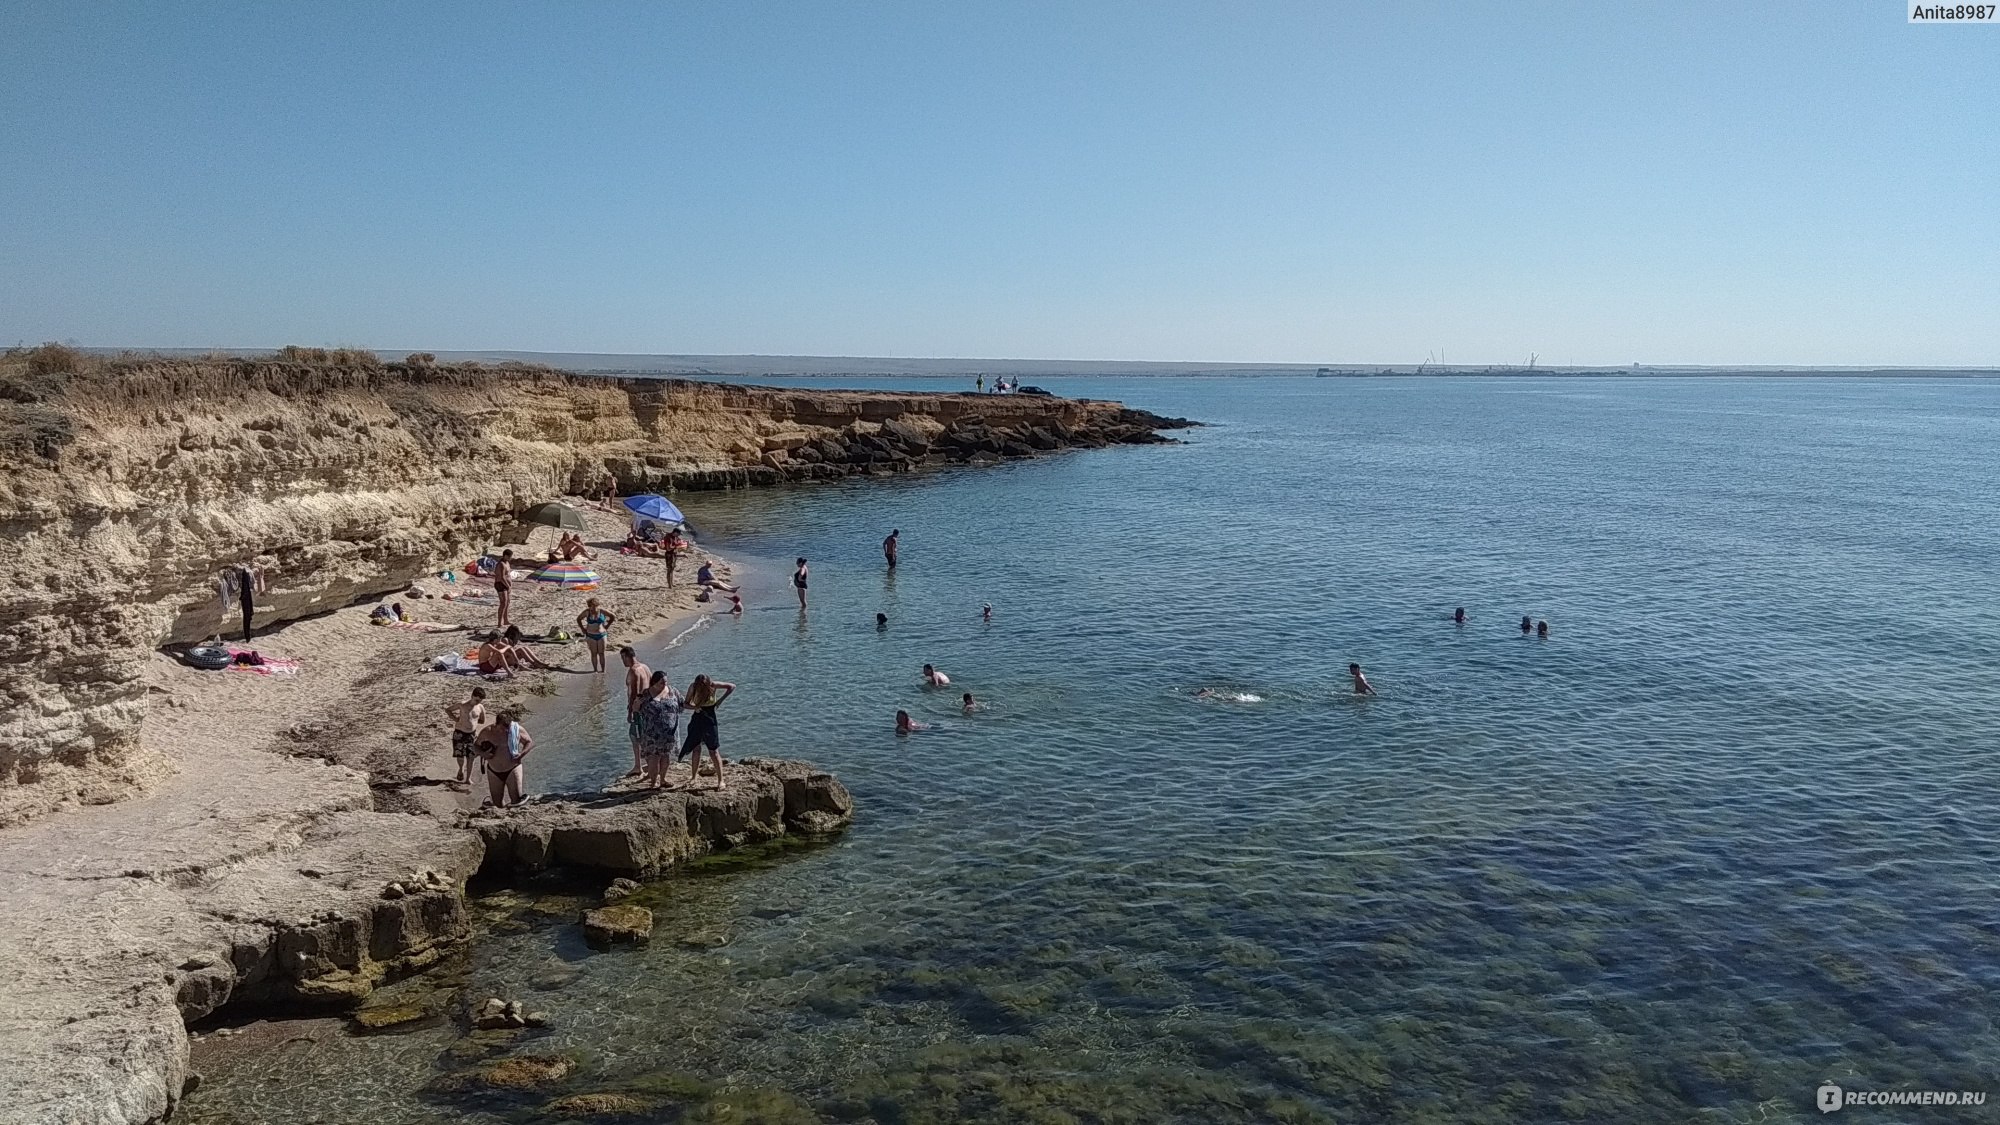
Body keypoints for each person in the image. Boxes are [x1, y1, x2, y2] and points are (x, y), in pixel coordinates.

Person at [679, 675, 736, 790]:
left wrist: (720, 700)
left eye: (703, 685)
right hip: (698, 718)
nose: (701, 687)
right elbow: (685, 704)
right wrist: (694, 708)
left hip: (710, 719)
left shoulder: (713, 685)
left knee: (713, 750)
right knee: (696, 748)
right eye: (700, 685)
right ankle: (693, 777)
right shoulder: (693, 687)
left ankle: (721, 780)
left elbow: (732, 686)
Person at [631, 670, 683, 788]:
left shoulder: (673, 691)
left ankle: (663, 780)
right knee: (654, 758)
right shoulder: (646, 694)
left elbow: (682, 703)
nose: (664, 684)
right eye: (661, 682)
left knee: (666, 757)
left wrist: (698, 706)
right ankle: (653, 782)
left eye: (665, 681)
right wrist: (636, 704)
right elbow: (635, 709)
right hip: (652, 734)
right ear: (654, 682)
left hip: (669, 733)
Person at [473, 708, 534, 808]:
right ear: (497, 723)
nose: (505, 730)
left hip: (512, 768)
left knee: (516, 801)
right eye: (503, 727)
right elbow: (475, 746)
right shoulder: (487, 731)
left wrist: (522, 754)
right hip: (494, 771)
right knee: (497, 804)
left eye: (507, 727)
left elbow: (529, 742)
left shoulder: (516, 729)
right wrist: (484, 754)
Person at [444, 686, 486, 785]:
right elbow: (448, 710)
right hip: (459, 732)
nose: (477, 702)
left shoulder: (480, 707)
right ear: (472, 696)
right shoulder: (462, 705)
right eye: (476, 700)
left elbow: (482, 720)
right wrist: (455, 719)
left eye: (479, 701)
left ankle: (468, 779)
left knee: (471, 757)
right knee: (460, 755)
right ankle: (461, 769)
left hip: (471, 734)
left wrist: (473, 722)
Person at [620, 646, 652, 776]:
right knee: (645, 735)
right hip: (648, 706)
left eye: (622, 658)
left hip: (638, 708)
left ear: (627, 657)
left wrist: (630, 711)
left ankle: (639, 765)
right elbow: (651, 686)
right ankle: (649, 764)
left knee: (635, 736)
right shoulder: (645, 667)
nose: (623, 662)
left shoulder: (633, 671)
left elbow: (634, 692)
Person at [576, 597, 616, 673]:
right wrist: (582, 629)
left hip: (601, 635)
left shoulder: (602, 611)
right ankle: (595, 670)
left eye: (594, 606)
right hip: (591, 636)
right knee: (593, 653)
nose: (593, 608)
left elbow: (612, 616)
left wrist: (607, 626)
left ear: (598, 605)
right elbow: (578, 619)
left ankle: (603, 671)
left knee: (601, 653)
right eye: (591, 606)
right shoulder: (587, 612)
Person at [501, 625, 566, 671]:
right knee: (521, 650)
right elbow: (505, 653)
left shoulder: (510, 640)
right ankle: (534, 663)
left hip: (510, 658)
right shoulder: (505, 640)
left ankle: (538, 662)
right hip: (506, 661)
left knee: (524, 648)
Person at [493, 549, 516, 629]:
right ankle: (499, 622)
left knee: (508, 602)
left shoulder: (507, 563)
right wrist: (508, 586)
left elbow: (508, 575)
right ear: (505, 556)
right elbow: (502, 577)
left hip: (506, 585)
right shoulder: (501, 564)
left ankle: (506, 620)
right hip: (501, 584)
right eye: (509, 556)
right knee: (503, 603)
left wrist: (510, 584)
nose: (510, 558)